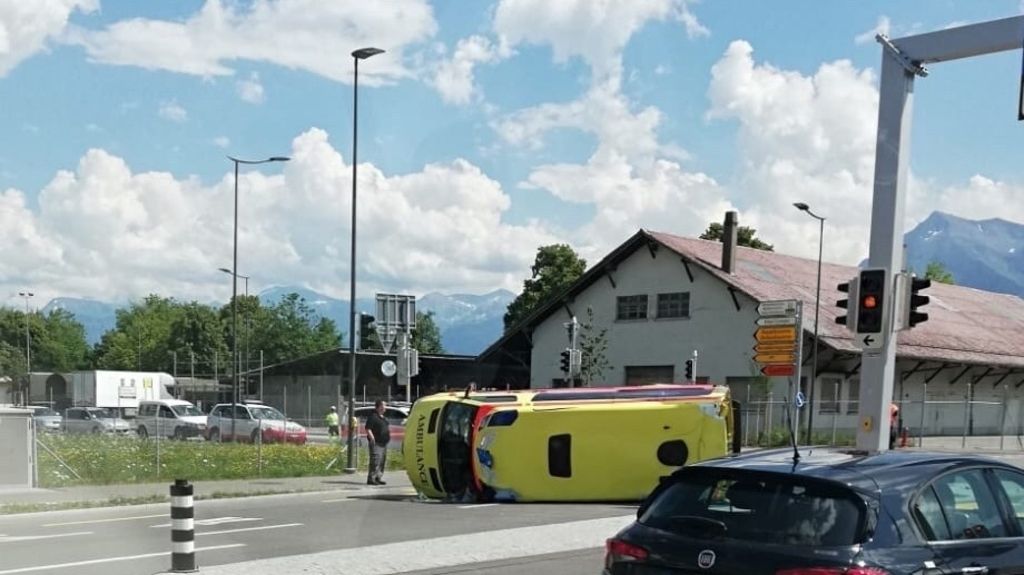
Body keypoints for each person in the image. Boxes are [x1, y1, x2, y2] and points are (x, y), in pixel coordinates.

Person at [365, 400, 391, 485]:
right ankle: (371, 478)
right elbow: (368, 428)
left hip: (384, 443)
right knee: (375, 461)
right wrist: (372, 438)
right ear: (379, 407)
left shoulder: (383, 418)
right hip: (376, 443)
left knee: (382, 461)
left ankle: (378, 477)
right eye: (383, 406)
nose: (385, 408)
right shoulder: (373, 417)